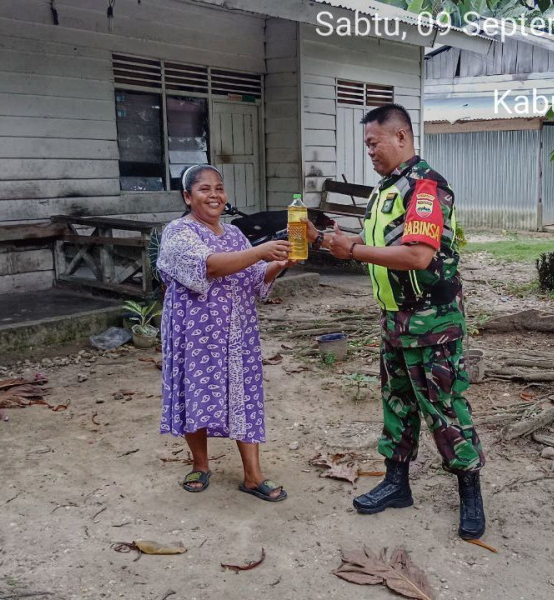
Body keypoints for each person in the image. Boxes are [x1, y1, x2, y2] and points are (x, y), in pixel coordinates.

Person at [304, 103, 487, 540]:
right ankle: (396, 483)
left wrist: (352, 250)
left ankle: (470, 493)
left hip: (432, 322)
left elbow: (417, 255)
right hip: (396, 320)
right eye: (366, 144)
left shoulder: (425, 187)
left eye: (374, 142)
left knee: (444, 407)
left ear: (401, 137)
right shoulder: (386, 188)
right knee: (398, 404)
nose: (369, 151)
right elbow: (380, 246)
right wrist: (329, 240)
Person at [156, 164, 295, 501]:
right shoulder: (178, 232)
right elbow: (209, 266)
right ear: (188, 197)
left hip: (238, 333)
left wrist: (279, 263)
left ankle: (253, 475)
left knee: (244, 394)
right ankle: (200, 465)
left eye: (219, 188)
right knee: (197, 391)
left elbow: (254, 278)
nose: (215, 195)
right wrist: (261, 251)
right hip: (195, 333)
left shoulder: (234, 234)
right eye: (205, 189)